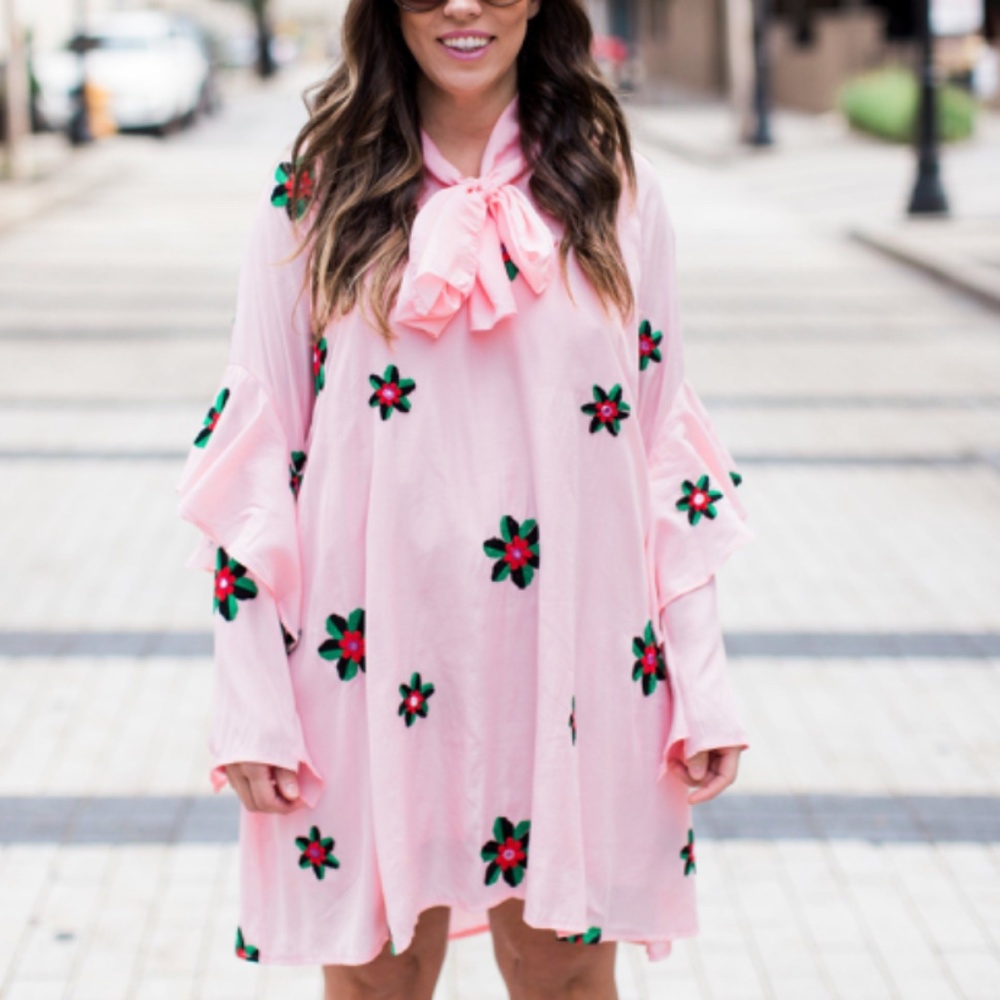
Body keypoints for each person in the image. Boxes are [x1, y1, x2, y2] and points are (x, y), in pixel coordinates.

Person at [175, 0, 754, 996]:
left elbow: (662, 444)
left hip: (571, 662)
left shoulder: (614, 191)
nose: (462, 6)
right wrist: (251, 700)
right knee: (375, 976)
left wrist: (698, 675)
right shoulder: (313, 193)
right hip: (369, 658)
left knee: (564, 972)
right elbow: (260, 452)